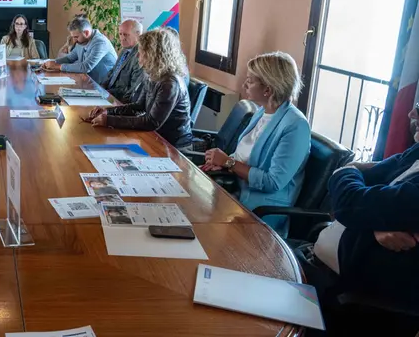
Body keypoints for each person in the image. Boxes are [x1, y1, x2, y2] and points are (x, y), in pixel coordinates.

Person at [311, 104, 419, 307]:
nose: (410, 113)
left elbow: (349, 201)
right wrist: (375, 223)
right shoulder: (416, 153)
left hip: (349, 297)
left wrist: (346, 173)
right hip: (318, 266)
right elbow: (356, 178)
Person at [201, 52, 310, 235]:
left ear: (267, 90)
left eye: (250, 81)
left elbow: (272, 182)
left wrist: (229, 163)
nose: (244, 84)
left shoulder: (295, 126)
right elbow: (244, 155)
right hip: (234, 192)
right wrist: (221, 163)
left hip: (261, 211)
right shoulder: (262, 112)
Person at [88, 29, 193, 149]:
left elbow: (151, 122)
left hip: (172, 145)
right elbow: (138, 106)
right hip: (154, 137)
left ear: (154, 54)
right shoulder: (153, 74)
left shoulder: (170, 83)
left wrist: (109, 120)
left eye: (141, 51)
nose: (137, 55)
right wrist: (107, 111)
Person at [44, 16, 117, 85]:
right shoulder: (82, 41)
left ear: (86, 33)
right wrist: (52, 63)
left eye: (76, 37)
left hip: (104, 85)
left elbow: (86, 67)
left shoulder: (100, 42)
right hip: (89, 81)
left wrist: (59, 66)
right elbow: (70, 58)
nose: (74, 40)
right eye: (73, 37)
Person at [102, 19, 145, 103]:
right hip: (108, 94)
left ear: (138, 34)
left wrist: (108, 93)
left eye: (126, 35)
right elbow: (113, 72)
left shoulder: (140, 56)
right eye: (120, 34)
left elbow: (132, 89)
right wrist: (102, 87)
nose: (122, 38)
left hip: (119, 101)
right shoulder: (125, 50)